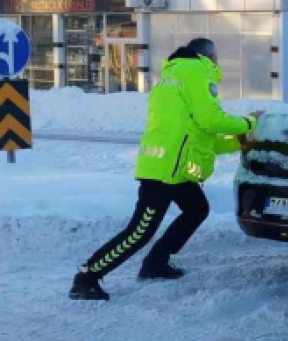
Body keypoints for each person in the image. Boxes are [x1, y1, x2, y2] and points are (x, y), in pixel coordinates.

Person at [70, 38, 260, 301]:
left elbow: (202, 135)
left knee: (196, 209)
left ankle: (156, 262)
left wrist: (237, 141)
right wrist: (249, 123)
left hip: (176, 166)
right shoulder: (195, 72)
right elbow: (210, 120)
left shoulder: (175, 74)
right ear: (207, 55)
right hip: (165, 168)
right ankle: (87, 277)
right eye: (216, 55)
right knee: (140, 230)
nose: (218, 60)